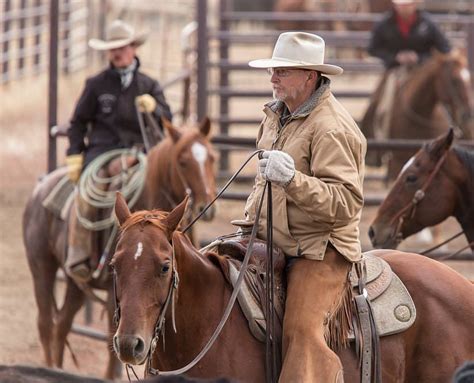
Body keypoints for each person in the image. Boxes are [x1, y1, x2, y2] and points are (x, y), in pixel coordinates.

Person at [244, 32, 366, 382]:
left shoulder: (332, 128)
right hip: (271, 234)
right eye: (273, 70)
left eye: (282, 71)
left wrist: (292, 180)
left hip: (320, 249)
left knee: (300, 332)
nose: (273, 78)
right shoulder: (275, 115)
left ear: (309, 76)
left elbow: (346, 204)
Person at [65, 19, 172, 282]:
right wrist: (74, 155)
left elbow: (167, 119)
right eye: (113, 48)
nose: (118, 52)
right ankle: (79, 254)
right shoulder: (96, 85)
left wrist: (154, 109)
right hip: (102, 153)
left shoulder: (149, 85)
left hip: (141, 155)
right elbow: (78, 122)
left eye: (122, 46)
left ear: (133, 47)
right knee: (88, 195)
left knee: (163, 195)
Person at [362, 0, 451, 146]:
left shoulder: (428, 23)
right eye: (402, 4)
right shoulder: (385, 23)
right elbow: (373, 48)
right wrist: (395, 57)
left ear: (415, 4)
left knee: (447, 95)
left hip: (423, 70)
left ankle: (454, 134)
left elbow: (444, 47)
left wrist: (420, 57)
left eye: (408, 4)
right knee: (379, 105)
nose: (404, 7)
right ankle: (376, 144)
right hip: (395, 71)